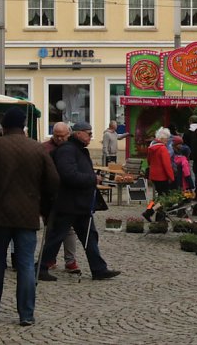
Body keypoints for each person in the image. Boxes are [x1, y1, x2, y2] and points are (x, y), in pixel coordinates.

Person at [0, 106, 59, 327]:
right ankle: (26, 313)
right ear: (24, 126)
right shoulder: (37, 149)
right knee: (26, 265)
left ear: (4, 126)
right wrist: (45, 210)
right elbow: (53, 183)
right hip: (27, 216)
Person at [38, 121, 121, 283]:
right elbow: (68, 175)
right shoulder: (67, 151)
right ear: (78, 133)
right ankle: (40, 267)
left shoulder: (78, 150)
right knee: (56, 237)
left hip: (80, 204)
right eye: (89, 134)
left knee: (90, 236)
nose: (91, 137)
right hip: (69, 203)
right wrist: (92, 178)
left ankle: (99, 269)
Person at [41, 122, 80, 274]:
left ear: (68, 134)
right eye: (56, 135)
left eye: (62, 136)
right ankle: (49, 259)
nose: (58, 138)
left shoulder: (72, 148)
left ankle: (70, 261)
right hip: (50, 195)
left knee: (69, 229)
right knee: (50, 228)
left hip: (67, 195)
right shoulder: (45, 148)